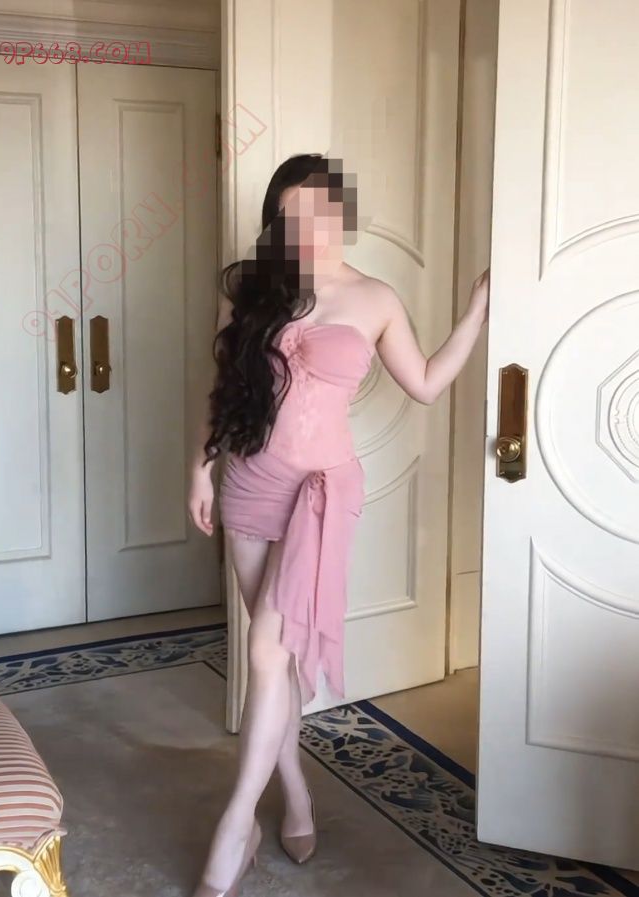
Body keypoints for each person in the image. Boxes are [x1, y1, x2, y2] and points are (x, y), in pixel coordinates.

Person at [186, 153, 490, 897]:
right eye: (292, 213)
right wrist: (199, 467)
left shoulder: (375, 298)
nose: (308, 225)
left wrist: (478, 311)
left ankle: (235, 825)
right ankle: (296, 792)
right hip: (249, 484)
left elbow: (426, 384)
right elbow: (222, 386)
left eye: (320, 209)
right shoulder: (251, 291)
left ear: (342, 213)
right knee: (277, 663)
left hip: (322, 494)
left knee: (266, 649)